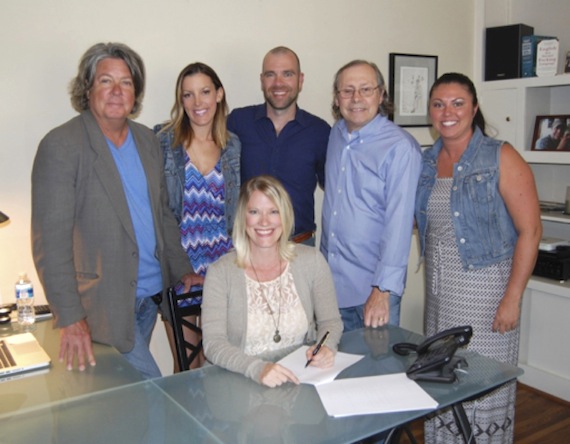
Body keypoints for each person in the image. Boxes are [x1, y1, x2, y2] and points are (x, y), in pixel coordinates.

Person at [31, 42, 199, 379]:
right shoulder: (62, 145)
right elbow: (50, 243)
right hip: (101, 305)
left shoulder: (147, 141)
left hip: (150, 297)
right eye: (106, 81)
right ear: (88, 89)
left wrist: (183, 271)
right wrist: (69, 315)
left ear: (136, 92)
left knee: (126, 406)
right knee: (152, 396)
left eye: (126, 82)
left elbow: (162, 215)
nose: (116, 91)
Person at [415, 72, 542, 443]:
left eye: (457, 103)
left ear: (473, 108)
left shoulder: (500, 156)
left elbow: (531, 231)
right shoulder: (427, 160)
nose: (447, 112)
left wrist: (512, 299)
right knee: (441, 380)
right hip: (439, 293)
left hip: (487, 296)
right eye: (438, 104)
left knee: (481, 386)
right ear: (430, 112)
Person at [202, 175, 343, 387]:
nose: (264, 222)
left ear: (285, 216)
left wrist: (326, 347)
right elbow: (213, 344)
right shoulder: (220, 273)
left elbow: (331, 322)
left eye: (273, 211)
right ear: (243, 218)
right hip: (237, 383)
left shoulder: (312, 261)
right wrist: (257, 369)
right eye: (254, 212)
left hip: (299, 380)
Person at [320, 60, 421, 332]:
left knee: (376, 371)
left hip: (372, 290)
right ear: (336, 96)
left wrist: (382, 289)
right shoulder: (336, 134)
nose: (356, 99)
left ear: (381, 94)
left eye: (366, 89)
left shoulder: (400, 148)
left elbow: (399, 226)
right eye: (347, 90)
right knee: (333, 368)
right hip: (331, 286)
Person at [154, 62, 240, 371]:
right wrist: (179, 266)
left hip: (223, 267)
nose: (197, 102)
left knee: (222, 364)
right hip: (181, 267)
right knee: (188, 366)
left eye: (205, 92)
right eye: (188, 95)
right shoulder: (163, 142)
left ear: (219, 94)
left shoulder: (233, 146)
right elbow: (158, 208)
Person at [227, 46, 330, 246]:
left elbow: (337, 189)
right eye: (270, 75)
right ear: (262, 80)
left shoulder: (320, 132)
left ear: (300, 80)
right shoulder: (238, 122)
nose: (278, 83)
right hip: (248, 247)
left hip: (300, 247)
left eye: (287, 74)